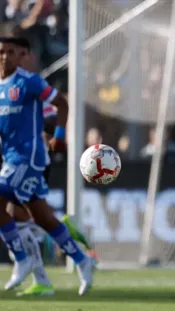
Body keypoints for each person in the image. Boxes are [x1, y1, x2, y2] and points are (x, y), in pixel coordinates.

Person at [0, 37, 93, 295]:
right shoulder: (0, 88)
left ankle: (22, 259)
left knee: (6, 208)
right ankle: (81, 260)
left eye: (10, 52)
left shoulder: (28, 82)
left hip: (29, 157)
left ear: (20, 55)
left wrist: (60, 136)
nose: (5, 56)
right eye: (1, 52)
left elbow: (60, 103)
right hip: (10, 158)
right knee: (41, 217)